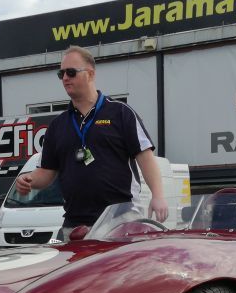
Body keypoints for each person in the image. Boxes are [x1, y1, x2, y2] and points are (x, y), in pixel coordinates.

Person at [14, 45, 167, 229]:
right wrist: (28, 179)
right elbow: (46, 173)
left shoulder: (121, 113)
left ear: (91, 74)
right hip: (74, 224)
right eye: (61, 73)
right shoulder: (57, 125)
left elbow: (145, 157)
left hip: (119, 218)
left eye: (71, 72)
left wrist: (158, 196)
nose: (65, 78)